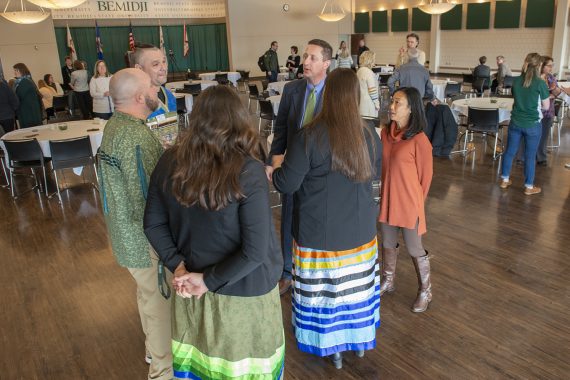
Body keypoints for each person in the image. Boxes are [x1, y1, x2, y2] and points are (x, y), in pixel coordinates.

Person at [143, 85, 284, 380]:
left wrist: (178, 266)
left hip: (190, 287)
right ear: (239, 119)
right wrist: (207, 280)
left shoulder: (169, 161)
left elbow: (153, 224)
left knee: (201, 368)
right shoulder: (247, 169)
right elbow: (255, 250)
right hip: (242, 293)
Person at [272, 68, 381, 369]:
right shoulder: (370, 133)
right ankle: (357, 341)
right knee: (353, 292)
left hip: (318, 235)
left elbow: (286, 184)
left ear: (328, 95)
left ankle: (329, 346)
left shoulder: (309, 136)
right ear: (356, 97)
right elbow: (376, 183)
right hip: (360, 235)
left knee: (326, 295)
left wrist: (274, 170)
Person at [98, 68, 172, 380]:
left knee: (146, 297)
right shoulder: (138, 136)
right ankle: (162, 370)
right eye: (153, 87)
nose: (157, 90)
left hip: (123, 232)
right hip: (144, 238)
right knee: (159, 305)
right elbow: (152, 196)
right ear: (141, 97)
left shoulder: (113, 126)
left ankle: (151, 351)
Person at [267, 38, 333, 296]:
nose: (305, 62)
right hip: (293, 167)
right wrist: (275, 159)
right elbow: (281, 129)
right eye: (305, 56)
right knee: (288, 219)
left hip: (323, 172)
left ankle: (317, 272)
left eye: (312, 58)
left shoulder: (335, 93)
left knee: (319, 219)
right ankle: (286, 272)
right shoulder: (293, 89)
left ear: (326, 63)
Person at [379, 87, 434, 313]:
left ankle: (426, 290)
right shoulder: (384, 134)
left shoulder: (420, 140)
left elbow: (426, 178)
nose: (392, 107)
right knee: (387, 243)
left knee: (414, 248)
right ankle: (388, 280)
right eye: (392, 101)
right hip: (387, 200)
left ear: (411, 109)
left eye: (397, 103)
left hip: (410, 204)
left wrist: (417, 206)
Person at [499, 53, 549, 195]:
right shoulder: (540, 83)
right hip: (532, 124)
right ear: (539, 66)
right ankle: (528, 186)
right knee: (530, 155)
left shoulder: (516, 80)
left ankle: (504, 180)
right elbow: (546, 107)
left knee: (510, 152)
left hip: (515, 122)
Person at [132, 43, 176, 120]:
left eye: (164, 61)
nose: (163, 68)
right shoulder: (137, 103)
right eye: (155, 64)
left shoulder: (169, 95)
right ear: (139, 69)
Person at [535, 56, 558, 166]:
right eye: (549, 65)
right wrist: (549, 95)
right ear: (542, 65)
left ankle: (541, 157)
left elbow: (557, 93)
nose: (551, 68)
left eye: (552, 65)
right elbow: (534, 95)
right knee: (531, 135)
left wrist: (555, 89)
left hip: (548, 111)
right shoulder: (535, 78)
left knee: (544, 136)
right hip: (535, 111)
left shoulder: (551, 78)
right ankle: (524, 157)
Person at [12, 63, 43, 129]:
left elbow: (18, 96)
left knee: (30, 132)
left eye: (15, 70)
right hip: (30, 110)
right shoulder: (28, 79)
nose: (14, 73)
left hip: (28, 112)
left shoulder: (24, 82)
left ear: (20, 70)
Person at [357, 50, 380, 117]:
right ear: (370, 60)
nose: (374, 61)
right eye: (374, 59)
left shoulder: (359, 71)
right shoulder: (368, 72)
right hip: (369, 105)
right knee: (370, 124)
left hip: (361, 102)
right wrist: (377, 104)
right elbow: (372, 90)